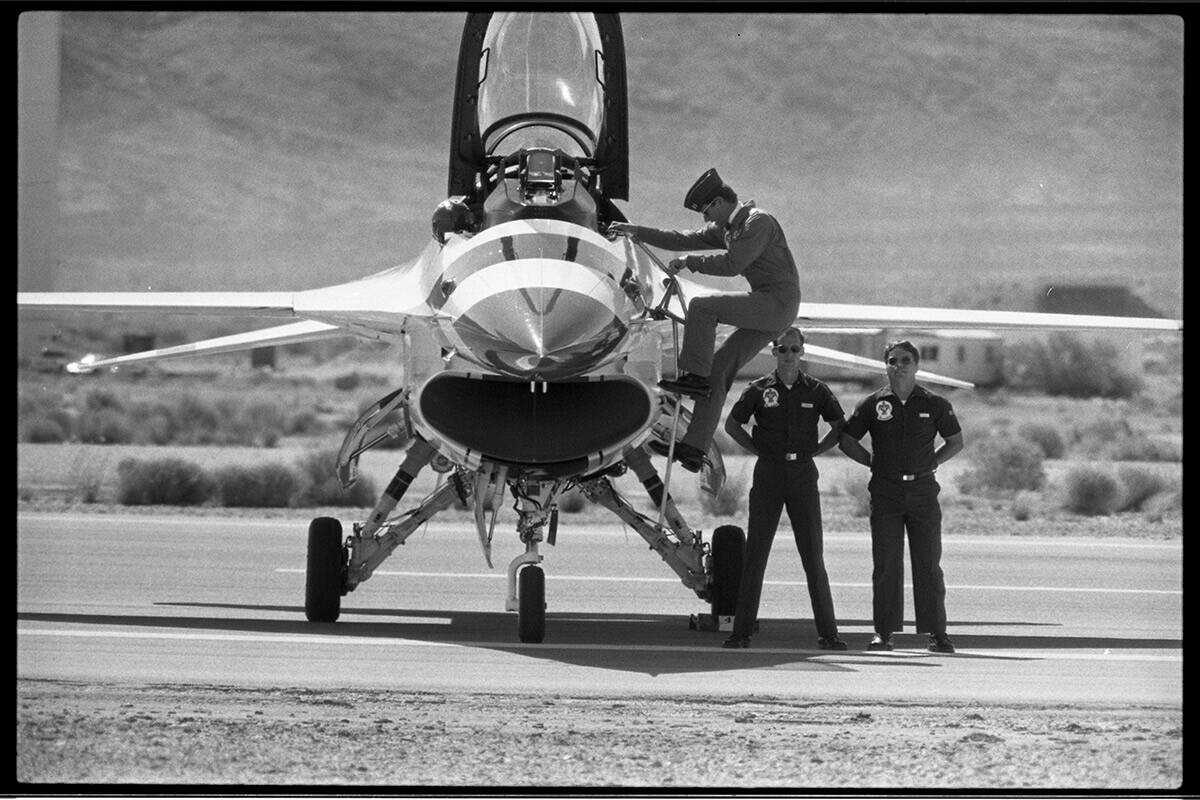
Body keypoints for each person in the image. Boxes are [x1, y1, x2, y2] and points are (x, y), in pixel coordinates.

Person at [608, 168, 800, 472]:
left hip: (777, 302)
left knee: (702, 307)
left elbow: (734, 264)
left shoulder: (757, 221)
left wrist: (691, 263)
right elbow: (680, 239)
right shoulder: (727, 229)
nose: (705, 219)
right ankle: (694, 449)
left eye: (707, 210)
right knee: (721, 370)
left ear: (721, 202)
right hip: (770, 306)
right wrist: (634, 231)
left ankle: (694, 377)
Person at [721, 327, 847, 650]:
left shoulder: (816, 390)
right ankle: (741, 632)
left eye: (794, 349)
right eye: (783, 349)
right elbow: (732, 424)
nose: (789, 355)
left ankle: (829, 634)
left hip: (803, 474)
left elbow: (838, 426)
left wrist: (816, 451)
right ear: (773, 352)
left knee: (813, 556)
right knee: (756, 554)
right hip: (769, 474)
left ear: (803, 350)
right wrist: (756, 449)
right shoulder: (759, 389)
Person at [838, 340, 964, 654]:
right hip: (886, 493)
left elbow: (955, 441)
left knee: (929, 565)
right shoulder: (872, 403)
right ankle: (884, 633)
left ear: (917, 365)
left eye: (906, 360)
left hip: (922, 492)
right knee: (885, 565)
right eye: (893, 360)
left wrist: (932, 462)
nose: (899, 366)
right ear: (886, 365)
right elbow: (847, 440)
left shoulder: (935, 403)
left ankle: (937, 634)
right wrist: (872, 463)